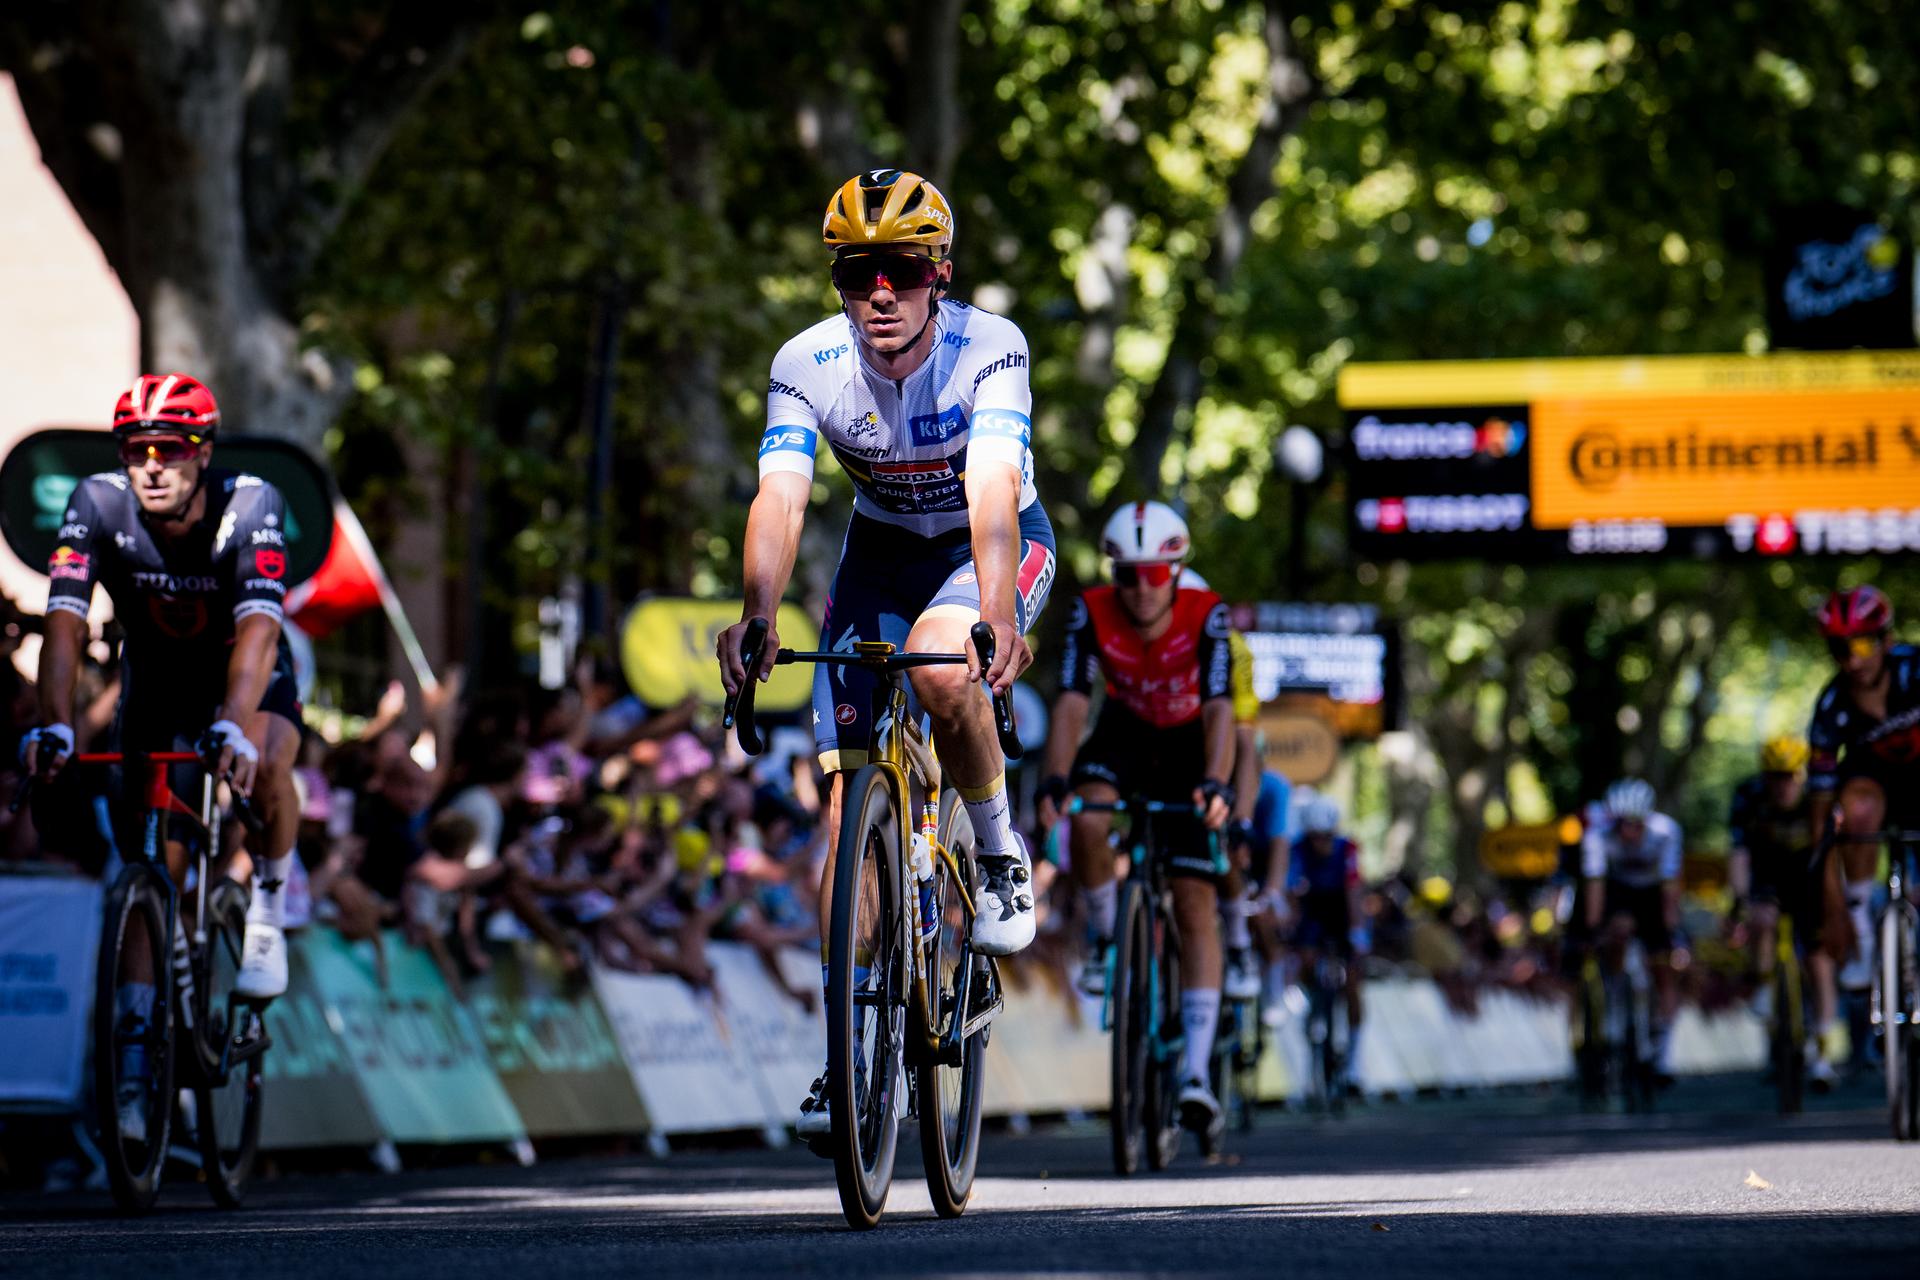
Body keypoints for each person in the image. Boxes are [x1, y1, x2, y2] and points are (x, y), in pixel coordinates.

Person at [714, 168, 1054, 1139]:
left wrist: (994, 617)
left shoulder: (990, 348)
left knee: (946, 666)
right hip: (879, 554)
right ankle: (845, 1051)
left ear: (938, 272)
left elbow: (992, 490)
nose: (879, 294)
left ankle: (995, 852)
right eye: (856, 271)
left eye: (900, 270)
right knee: (846, 801)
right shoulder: (806, 362)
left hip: (985, 544)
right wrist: (757, 612)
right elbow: (780, 498)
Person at [20, 375, 303, 1138]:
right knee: (151, 874)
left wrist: (237, 726)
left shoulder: (253, 505)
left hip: (246, 679)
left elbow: (257, 633)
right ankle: (140, 1062)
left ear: (202, 455)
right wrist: (57, 724)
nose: (150, 465)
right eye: (137, 450)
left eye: (170, 452)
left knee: (273, 757)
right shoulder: (97, 504)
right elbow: (66, 623)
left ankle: (269, 909)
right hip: (154, 684)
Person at [1035, 499, 1237, 1135]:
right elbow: (1072, 699)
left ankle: (1198, 1073)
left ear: (1176, 573)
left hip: (1185, 743)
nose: (1141, 590)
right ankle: (1103, 938)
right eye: (1128, 576)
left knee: (1194, 900)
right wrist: (1056, 776)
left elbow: (1221, 710)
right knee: (1087, 821)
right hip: (1124, 732)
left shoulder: (1210, 615)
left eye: (1155, 576)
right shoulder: (1089, 611)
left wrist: (1215, 781)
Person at [1806, 585, 1918, 996]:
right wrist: (1833, 906)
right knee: (1855, 807)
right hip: (1873, 792)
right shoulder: (1832, 706)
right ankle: (1864, 932)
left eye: (1864, 644)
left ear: (1886, 640)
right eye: (1840, 649)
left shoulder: (1915, 672)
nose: (1853, 659)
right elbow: (1820, 817)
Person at [1728, 734, 1839, 1087]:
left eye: (1789, 775)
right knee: (1761, 919)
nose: (1782, 785)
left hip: (1810, 876)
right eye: (1775, 776)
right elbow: (1739, 854)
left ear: (1802, 773)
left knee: (1819, 961)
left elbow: (1838, 854)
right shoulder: (1748, 796)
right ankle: (1763, 986)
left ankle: (1822, 1055)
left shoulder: (1819, 798)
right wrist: (1739, 900)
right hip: (1769, 874)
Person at [1580, 777, 1682, 1078]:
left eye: (1636, 824)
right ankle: (1615, 997)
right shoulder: (1596, 835)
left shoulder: (1666, 832)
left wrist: (1670, 930)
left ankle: (1663, 1050)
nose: (1628, 831)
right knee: (1615, 931)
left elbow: (1670, 890)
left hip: (1653, 892)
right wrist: (1594, 928)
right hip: (1619, 890)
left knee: (1663, 966)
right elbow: (1595, 888)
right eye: (1622, 823)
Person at [1285, 795, 1366, 1047]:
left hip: (1342, 909)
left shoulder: (1347, 848)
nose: (1325, 843)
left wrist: (1357, 931)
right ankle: (1311, 998)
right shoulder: (1297, 849)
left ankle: (1354, 1056)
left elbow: (1353, 891)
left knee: (1352, 982)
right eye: (1319, 837)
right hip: (1313, 908)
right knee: (1305, 955)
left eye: (1329, 836)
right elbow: (1292, 892)